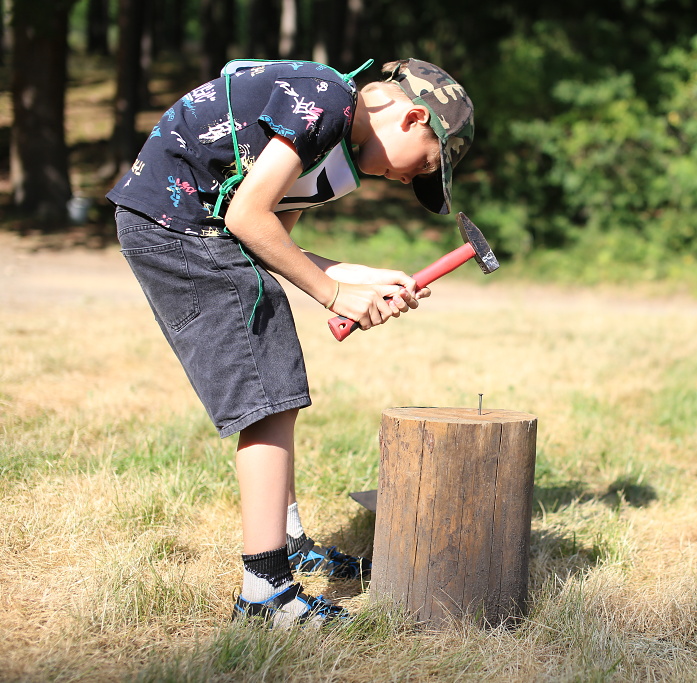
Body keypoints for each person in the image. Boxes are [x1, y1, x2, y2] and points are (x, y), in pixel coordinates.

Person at [105, 58, 475, 628]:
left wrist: (363, 279)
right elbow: (247, 218)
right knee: (269, 397)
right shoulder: (324, 101)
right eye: (425, 165)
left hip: (193, 226)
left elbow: (268, 244)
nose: (412, 181)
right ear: (412, 117)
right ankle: (266, 591)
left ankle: (288, 540)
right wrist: (331, 294)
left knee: (274, 381)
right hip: (178, 225)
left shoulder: (328, 144)